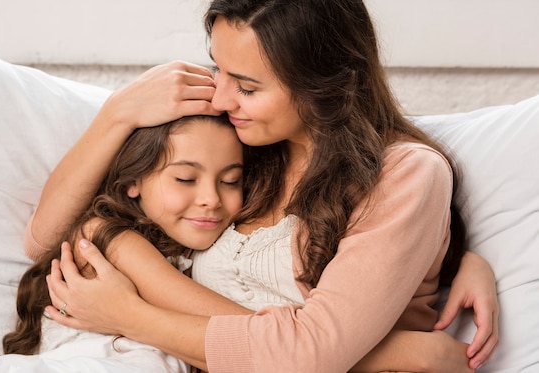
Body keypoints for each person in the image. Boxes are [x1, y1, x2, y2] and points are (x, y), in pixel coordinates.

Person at [38, 1, 498, 372]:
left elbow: (307, 356)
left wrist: (130, 317)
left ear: (327, 86)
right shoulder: (239, 141)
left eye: (247, 86)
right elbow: (44, 238)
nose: (219, 97)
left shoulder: (402, 175)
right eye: (217, 69)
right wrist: (118, 114)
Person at [0, 115, 250, 372]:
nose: (211, 199)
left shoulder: (189, 250)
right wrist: (291, 335)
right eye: (185, 179)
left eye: (230, 181)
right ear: (133, 180)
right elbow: (250, 332)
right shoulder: (105, 239)